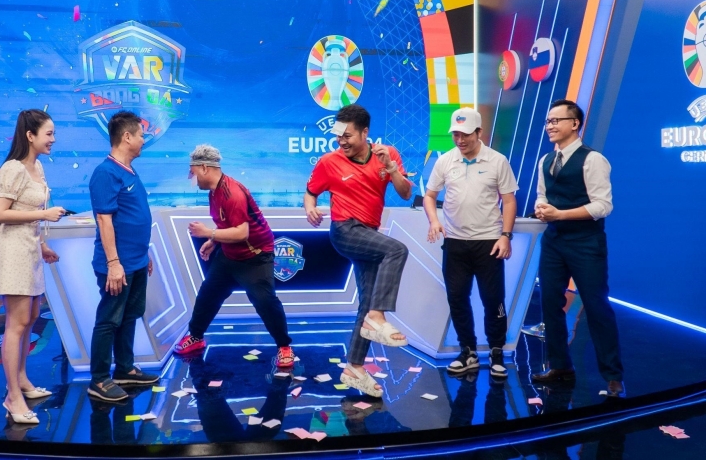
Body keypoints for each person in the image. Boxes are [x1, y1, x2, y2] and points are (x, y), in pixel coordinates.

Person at [304, 104, 412, 398]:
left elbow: (405, 193)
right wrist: (310, 208)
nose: (342, 141)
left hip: (369, 233)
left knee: (366, 302)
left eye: (348, 136)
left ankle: (354, 367)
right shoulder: (329, 162)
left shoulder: (387, 154)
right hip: (345, 230)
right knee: (397, 250)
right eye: (339, 136)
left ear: (365, 133)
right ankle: (378, 317)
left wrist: (391, 168)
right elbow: (311, 192)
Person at [533, 99, 624, 398]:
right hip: (554, 241)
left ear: (575, 124)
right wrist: (542, 208)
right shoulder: (546, 160)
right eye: (548, 121)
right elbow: (543, 195)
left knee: (596, 307)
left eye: (556, 120)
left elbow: (603, 206)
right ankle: (560, 366)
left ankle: (613, 377)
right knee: (550, 303)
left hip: (585, 243)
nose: (550, 126)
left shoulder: (593, 159)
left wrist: (561, 214)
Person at [174, 145, 294, 368]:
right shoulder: (214, 192)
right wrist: (214, 242)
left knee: (265, 302)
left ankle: (284, 347)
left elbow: (241, 233)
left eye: (192, 172)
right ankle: (196, 337)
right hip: (229, 255)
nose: (191, 178)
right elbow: (226, 224)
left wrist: (208, 233)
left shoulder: (233, 193)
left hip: (255, 256)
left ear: (204, 168)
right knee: (208, 295)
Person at [423, 108, 519, 379]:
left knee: (493, 299)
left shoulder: (497, 161)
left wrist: (506, 235)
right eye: (455, 134)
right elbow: (429, 196)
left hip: (488, 242)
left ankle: (497, 352)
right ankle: (468, 351)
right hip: (454, 243)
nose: (460, 140)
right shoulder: (445, 161)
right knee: (457, 298)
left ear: (479, 132)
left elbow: (509, 200)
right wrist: (434, 221)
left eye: (465, 134)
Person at [0, 109, 66, 424]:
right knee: (17, 323)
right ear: (30, 135)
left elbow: (29, 213)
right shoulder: (13, 168)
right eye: (48, 133)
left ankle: (22, 380)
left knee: (31, 317)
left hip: (30, 251)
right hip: (13, 254)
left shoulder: (38, 167)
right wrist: (43, 215)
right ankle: (12, 396)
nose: (53, 139)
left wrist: (43, 245)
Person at [88, 111, 159, 402]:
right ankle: (99, 379)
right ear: (127, 137)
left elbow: (132, 217)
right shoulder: (106, 173)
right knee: (109, 319)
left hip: (137, 261)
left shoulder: (129, 170)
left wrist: (144, 253)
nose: (144, 139)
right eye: (141, 135)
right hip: (118, 265)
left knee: (131, 314)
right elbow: (104, 220)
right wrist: (114, 264)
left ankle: (125, 369)